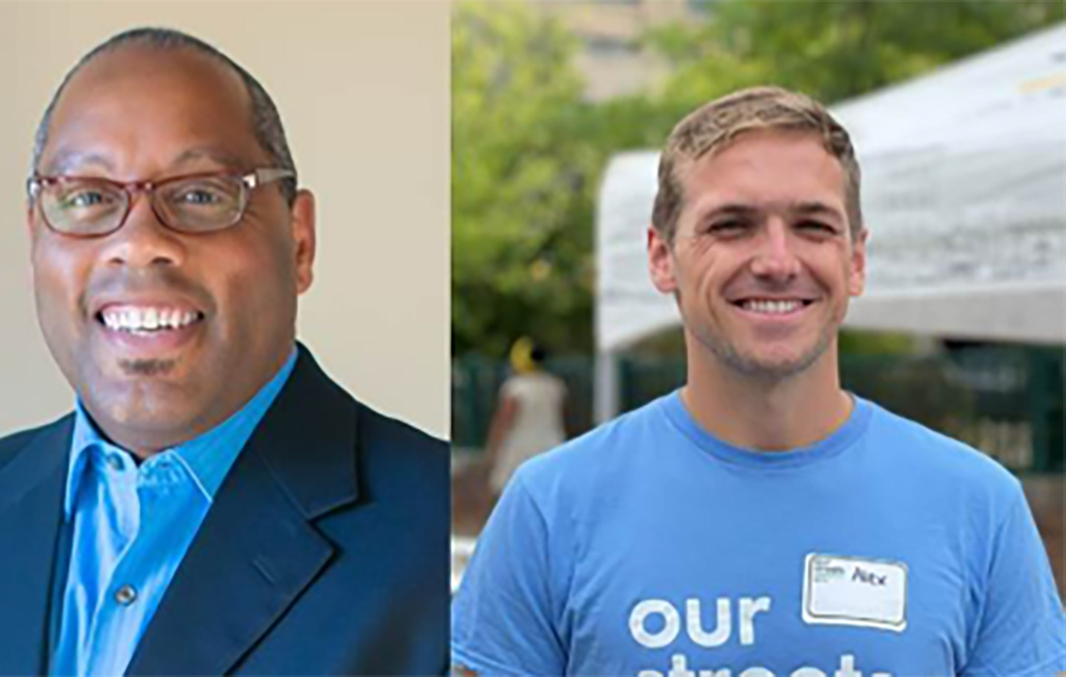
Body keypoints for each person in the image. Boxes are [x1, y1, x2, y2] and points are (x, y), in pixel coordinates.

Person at [0, 28, 448, 676]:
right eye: (88, 197)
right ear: (36, 239)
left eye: (200, 193)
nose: (140, 242)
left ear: (300, 240)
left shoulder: (445, 554)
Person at [452, 87, 1065, 676]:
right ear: (662, 257)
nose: (776, 261)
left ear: (855, 260)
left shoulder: (976, 506)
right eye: (731, 225)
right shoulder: (551, 507)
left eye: (813, 226)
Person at [484, 337, 568, 496]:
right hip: (551, 446)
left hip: (519, 449)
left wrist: (492, 452)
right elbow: (563, 419)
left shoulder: (514, 388)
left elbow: (503, 422)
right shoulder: (556, 385)